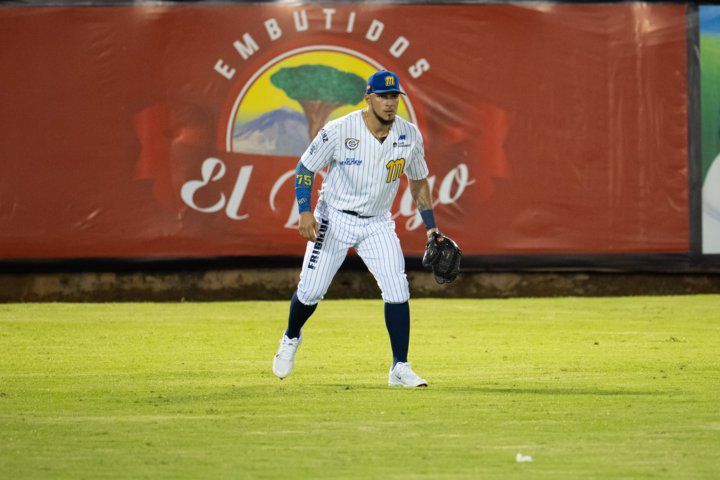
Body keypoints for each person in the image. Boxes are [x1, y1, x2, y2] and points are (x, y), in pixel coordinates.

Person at [272, 69, 441, 387]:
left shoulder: (408, 135)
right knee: (311, 291)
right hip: (334, 218)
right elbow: (305, 168)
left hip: (377, 222)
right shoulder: (339, 130)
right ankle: (291, 337)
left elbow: (418, 182)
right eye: (383, 96)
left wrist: (431, 229)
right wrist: (305, 211)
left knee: (397, 289)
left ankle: (399, 367)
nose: (390, 103)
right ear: (369, 97)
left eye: (394, 97)